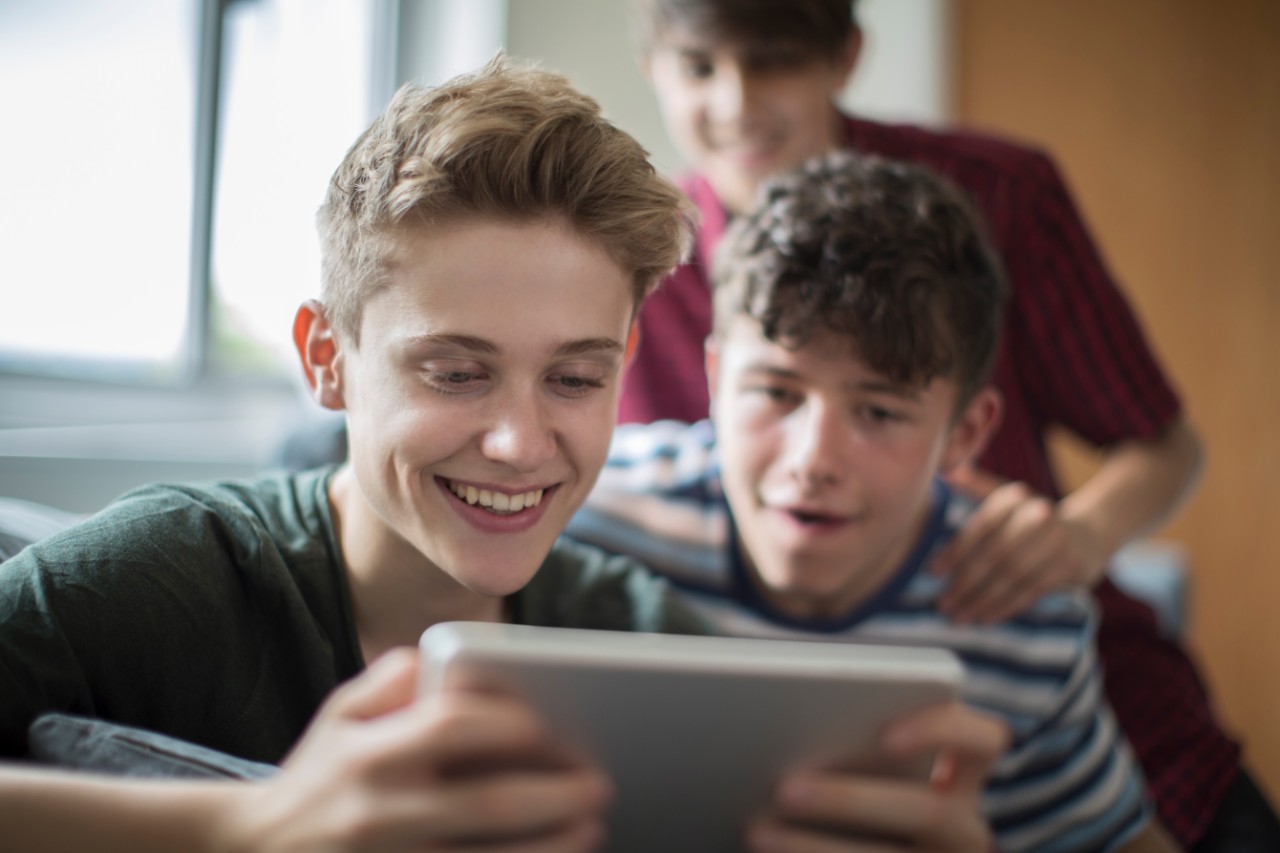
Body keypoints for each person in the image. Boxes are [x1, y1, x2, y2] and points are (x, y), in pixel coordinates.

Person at [0, 58, 1006, 852]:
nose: (522, 443)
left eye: (574, 378)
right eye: (453, 372)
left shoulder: (652, 651)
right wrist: (244, 828)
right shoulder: (164, 576)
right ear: (328, 360)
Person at [618, 0, 1273, 847]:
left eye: (774, 60)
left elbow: (1165, 442)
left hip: (1046, 671)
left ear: (844, 57)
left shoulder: (1000, 199)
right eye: (700, 66)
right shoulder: (637, 259)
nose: (737, 102)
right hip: (786, 740)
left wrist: (1077, 538)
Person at [570, 150, 1180, 852]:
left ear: (966, 434)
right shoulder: (583, 514)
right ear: (713, 377)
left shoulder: (1023, 616)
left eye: (882, 413)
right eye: (775, 392)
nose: (814, 461)